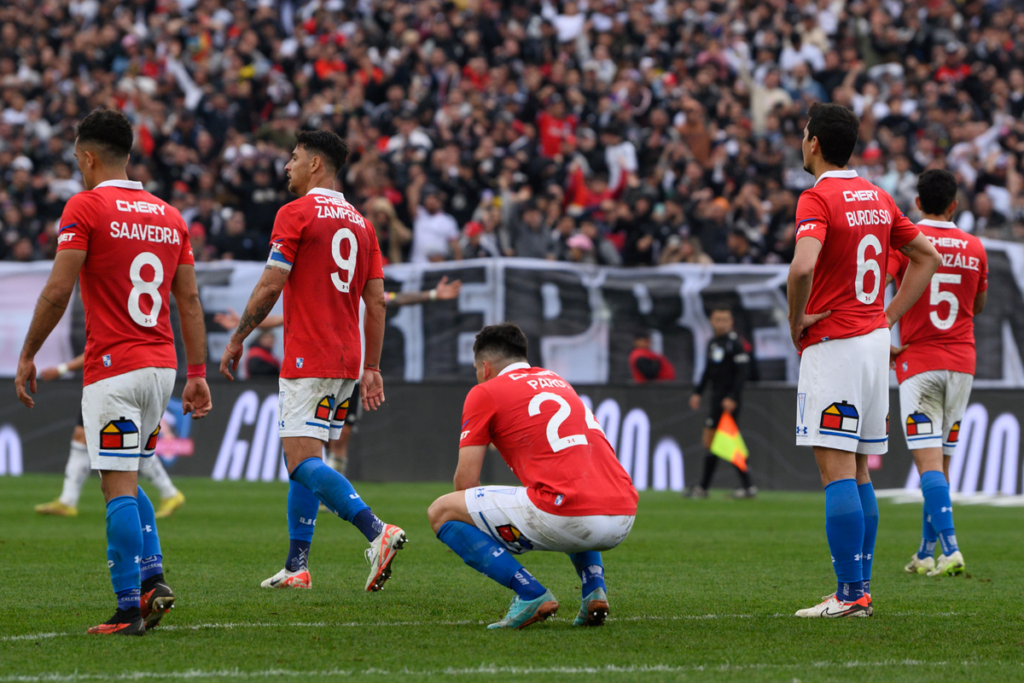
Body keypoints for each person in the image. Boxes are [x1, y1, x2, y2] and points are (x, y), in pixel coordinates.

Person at [14, 108, 212, 635]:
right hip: (161, 369)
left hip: (113, 368)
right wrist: (198, 372)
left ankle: (129, 609)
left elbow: (58, 291)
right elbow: (188, 299)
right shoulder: (171, 215)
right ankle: (153, 581)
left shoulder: (85, 206)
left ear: (87, 156)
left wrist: (28, 352)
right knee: (127, 474)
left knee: (116, 487)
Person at [219, 130, 405, 592]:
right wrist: (373, 366)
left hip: (308, 355)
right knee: (310, 456)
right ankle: (297, 565)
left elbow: (269, 284)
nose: (287, 166)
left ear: (316, 165)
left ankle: (376, 530)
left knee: (300, 462)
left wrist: (239, 335)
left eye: (295, 157)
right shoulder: (364, 223)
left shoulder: (296, 213)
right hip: (346, 359)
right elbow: (377, 303)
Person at [788, 103, 940, 618]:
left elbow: (802, 267)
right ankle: (860, 589)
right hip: (874, 345)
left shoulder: (817, 197)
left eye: (804, 133)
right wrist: (888, 317)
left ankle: (850, 594)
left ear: (814, 143)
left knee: (835, 472)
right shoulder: (877, 197)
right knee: (858, 471)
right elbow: (928, 257)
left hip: (835, 344)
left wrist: (797, 319)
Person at [427, 323, 638, 630]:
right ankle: (594, 588)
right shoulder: (558, 381)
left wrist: (485, 535)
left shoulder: (484, 391)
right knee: (571, 490)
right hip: (624, 515)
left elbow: (466, 483)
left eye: (476, 369)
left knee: (442, 511)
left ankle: (529, 592)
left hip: (568, 513)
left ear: (485, 367)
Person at [213, 275, 462, 475]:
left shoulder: (365, 298)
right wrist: (242, 324)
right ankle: (325, 490)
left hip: (351, 377)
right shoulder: (327, 300)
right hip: (324, 372)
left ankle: (330, 491)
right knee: (317, 436)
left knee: (341, 437)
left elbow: (397, 299)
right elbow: (281, 319)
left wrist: (433, 294)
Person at [888, 170, 987, 578]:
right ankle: (926, 551)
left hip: (919, 362)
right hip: (962, 363)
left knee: (927, 463)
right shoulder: (975, 247)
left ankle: (951, 549)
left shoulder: (907, 242)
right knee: (941, 465)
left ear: (916, 204)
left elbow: (884, 286)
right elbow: (977, 306)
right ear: (954, 205)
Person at [34, 355, 186, 518]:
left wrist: (61, 369)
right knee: (82, 436)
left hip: (114, 381)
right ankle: (68, 500)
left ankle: (168, 492)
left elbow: (97, 350)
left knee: (128, 440)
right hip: (120, 377)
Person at [686, 308, 756, 499]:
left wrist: (732, 397)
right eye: (718, 319)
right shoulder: (713, 343)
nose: (721, 323)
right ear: (711, 320)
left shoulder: (735, 343)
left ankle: (704, 488)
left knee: (718, 441)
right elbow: (708, 371)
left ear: (731, 321)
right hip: (717, 398)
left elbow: (743, 373)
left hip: (728, 401)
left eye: (725, 319)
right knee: (721, 442)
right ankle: (746, 487)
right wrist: (697, 392)